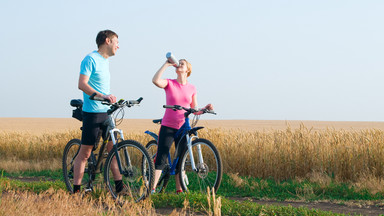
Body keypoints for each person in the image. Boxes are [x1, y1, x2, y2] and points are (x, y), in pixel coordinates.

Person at [152, 58, 213, 194]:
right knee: (161, 157)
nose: (179, 64)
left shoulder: (192, 88)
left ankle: (179, 190)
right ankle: (152, 188)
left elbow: (194, 109)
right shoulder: (170, 83)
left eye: (182, 63)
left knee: (181, 157)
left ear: (188, 70)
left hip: (184, 125)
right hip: (168, 124)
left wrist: (204, 109)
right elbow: (155, 80)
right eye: (178, 63)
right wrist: (166, 64)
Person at [73, 30, 123, 193]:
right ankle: (76, 191)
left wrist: (110, 98)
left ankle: (119, 189)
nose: (118, 46)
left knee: (114, 150)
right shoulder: (90, 59)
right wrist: (102, 96)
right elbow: (82, 84)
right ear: (107, 41)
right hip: (93, 113)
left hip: (106, 113)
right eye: (116, 42)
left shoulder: (105, 61)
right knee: (85, 153)